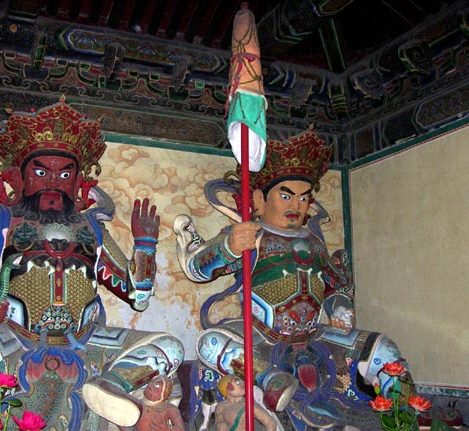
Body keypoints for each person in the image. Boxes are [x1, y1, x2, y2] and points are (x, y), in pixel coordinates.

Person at [0, 99, 184, 431]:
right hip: (14, 337)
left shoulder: (92, 230)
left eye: (65, 174)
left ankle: (109, 386)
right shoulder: (1, 221)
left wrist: (145, 246)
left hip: (87, 340)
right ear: (20, 178)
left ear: (77, 182)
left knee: (169, 347)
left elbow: (138, 297)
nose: (54, 182)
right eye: (41, 172)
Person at [174, 130, 411, 429]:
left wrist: (339, 306)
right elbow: (197, 268)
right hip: (261, 336)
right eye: (285, 196)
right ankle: (269, 379)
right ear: (259, 199)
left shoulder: (315, 242)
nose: (296, 205)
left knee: (384, 348)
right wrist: (228, 247)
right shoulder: (252, 235)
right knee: (209, 342)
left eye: (303, 197)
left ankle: (406, 417)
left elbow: (332, 285)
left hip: (313, 335)